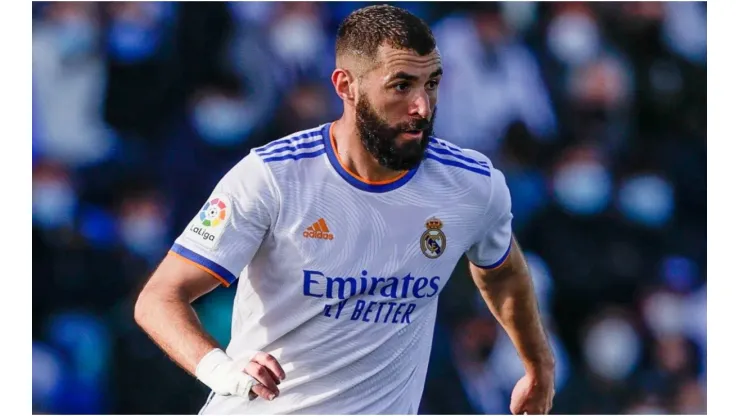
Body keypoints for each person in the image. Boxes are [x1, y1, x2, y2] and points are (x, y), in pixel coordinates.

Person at [134, 5, 555, 415]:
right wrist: (220, 369)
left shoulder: (472, 186)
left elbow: (500, 270)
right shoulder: (273, 177)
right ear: (346, 85)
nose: (422, 107)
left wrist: (538, 366)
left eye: (432, 84)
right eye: (401, 85)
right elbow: (159, 298)